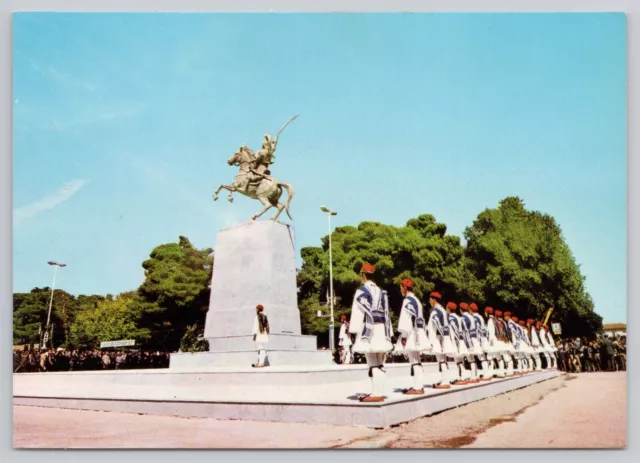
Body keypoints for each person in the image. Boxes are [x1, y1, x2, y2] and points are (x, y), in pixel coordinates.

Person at [349, 263, 393, 402]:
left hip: (369, 328)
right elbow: (387, 313)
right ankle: (379, 392)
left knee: (372, 362)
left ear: (363, 275)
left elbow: (358, 312)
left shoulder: (362, 291)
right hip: (381, 329)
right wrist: (389, 332)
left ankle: (375, 394)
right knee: (380, 362)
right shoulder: (382, 292)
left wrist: (354, 330)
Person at [395, 279, 431, 394]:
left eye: (401, 287)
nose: (400, 289)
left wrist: (404, 336)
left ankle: (417, 387)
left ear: (405, 288)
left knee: (414, 360)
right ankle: (418, 385)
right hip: (419, 331)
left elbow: (405, 319)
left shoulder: (407, 300)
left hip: (412, 332)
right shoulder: (417, 300)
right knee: (417, 360)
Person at [426, 291, 457, 389]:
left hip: (438, 337)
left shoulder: (436, 311)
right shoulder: (443, 311)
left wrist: (430, 340)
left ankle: (445, 381)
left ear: (434, 299)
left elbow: (432, 326)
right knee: (443, 359)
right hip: (445, 337)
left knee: (441, 360)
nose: (429, 301)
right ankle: (445, 379)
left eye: (430, 299)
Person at [446, 301, 472, 385]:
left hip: (456, 340)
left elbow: (453, 330)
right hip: (461, 340)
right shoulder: (459, 318)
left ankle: (461, 377)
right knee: (460, 359)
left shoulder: (450, 318)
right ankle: (463, 376)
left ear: (449, 309)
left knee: (457, 360)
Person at [461, 302, 484, 382]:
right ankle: (474, 375)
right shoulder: (473, 317)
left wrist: (467, 343)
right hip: (475, 339)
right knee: (473, 358)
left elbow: (465, 331)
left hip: (469, 339)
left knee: (470, 358)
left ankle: (473, 376)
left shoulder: (464, 318)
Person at [470, 302, 493, 381]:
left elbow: (477, 329)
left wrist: (477, 340)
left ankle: (476, 375)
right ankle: (487, 374)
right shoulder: (480, 317)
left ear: (470, 309)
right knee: (482, 357)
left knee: (477, 357)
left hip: (477, 339)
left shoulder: (474, 318)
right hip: (482, 338)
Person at [485, 307, 505, 378]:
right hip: (499, 341)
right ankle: (502, 372)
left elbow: (491, 332)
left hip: (493, 341)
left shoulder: (491, 320)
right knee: (498, 357)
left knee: (489, 357)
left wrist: (490, 342)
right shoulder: (497, 320)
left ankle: (489, 373)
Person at [495, 310, 514, 376]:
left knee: (506, 356)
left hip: (503, 340)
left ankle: (510, 371)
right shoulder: (504, 322)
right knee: (507, 356)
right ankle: (510, 370)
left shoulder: (499, 322)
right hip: (506, 340)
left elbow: (503, 332)